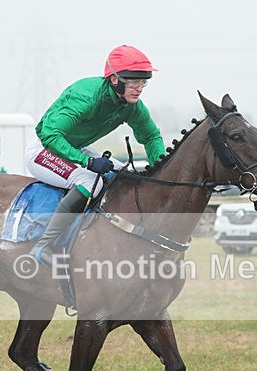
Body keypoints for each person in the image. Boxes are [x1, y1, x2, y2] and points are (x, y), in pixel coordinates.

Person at [26, 45, 165, 266]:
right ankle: (43, 245)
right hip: (44, 150)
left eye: (143, 83)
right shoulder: (86, 97)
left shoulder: (132, 107)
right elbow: (50, 135)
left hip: (75, 148)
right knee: (90, 181)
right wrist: (88, 162)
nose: (139, 89)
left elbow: (151, 136)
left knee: (125, 175)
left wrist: (161, 169)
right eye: (133, 83)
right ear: (114, 80)